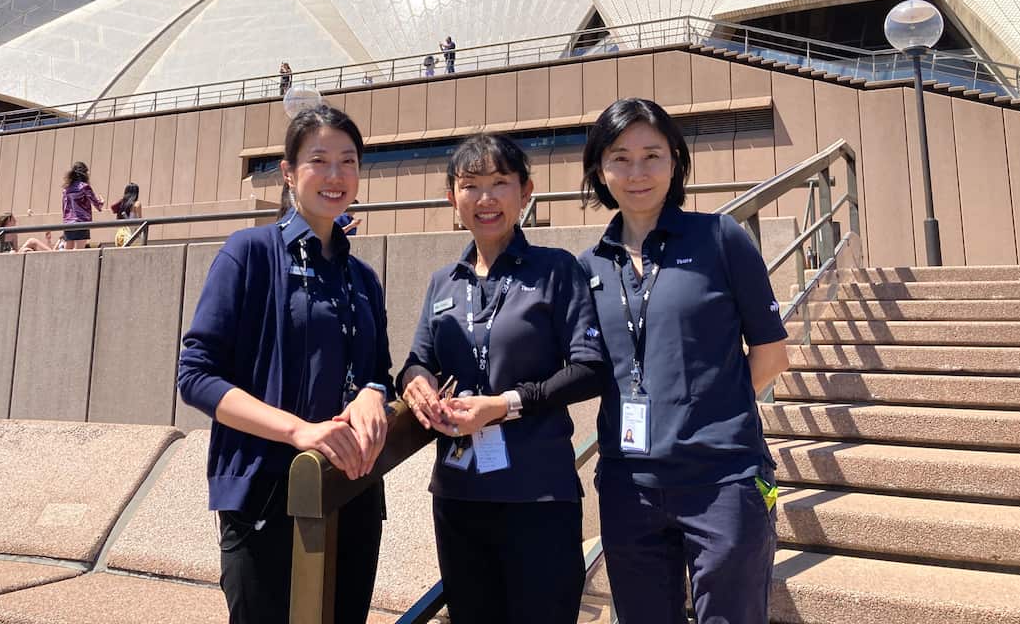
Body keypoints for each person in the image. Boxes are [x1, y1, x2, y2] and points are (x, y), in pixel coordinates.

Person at [577, 99, 789, 624]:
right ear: (600, 171)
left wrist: (709, 413)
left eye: (652, 155)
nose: (637, 172)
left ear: (676, 161)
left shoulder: (720, 237)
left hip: (723, 478)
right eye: (620, 158)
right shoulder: (587, 267)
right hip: (630, 485)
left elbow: (771, 352)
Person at [178, 104, 393, 624]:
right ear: (289, 172)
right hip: (265, 489)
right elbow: (196, 375)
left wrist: (371, 392)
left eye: (348, 161)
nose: (336, 175)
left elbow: (378, 372)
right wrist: (299, 432)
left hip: (351, 489)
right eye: (319, 160)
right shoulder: (249, 253)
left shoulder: (362, 277)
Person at [398, 133, 605, 624]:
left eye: (500, 183)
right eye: (470, 185)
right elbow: (417, 359)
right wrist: (416, 382)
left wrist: (504, 404)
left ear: (525, 191)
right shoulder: (442, 281)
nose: (485, 198)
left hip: (537, 493)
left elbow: (590, 366)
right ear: (452, 198)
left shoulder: (556, 270)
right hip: (458, 494)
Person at [61, 161, 103, 250]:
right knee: (79, 251)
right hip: (81, 222)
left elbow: (64, 208)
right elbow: (96, 204)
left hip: (68, 223)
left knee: (67, 251)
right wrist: (101, 202)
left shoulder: (66, 189)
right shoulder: (84, 187)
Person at [111, 183, 143, 247]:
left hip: (121, 235)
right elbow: (140, 220)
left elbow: (112, 207)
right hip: (132, 236)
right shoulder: (137, 204)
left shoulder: (122, 204)